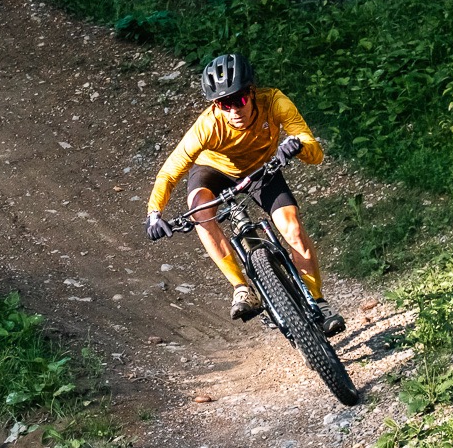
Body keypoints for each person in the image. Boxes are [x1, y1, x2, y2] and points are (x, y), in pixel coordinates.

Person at [144, 53, 345, 337]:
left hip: (261, 169)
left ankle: (317, 301)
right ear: (216, 105)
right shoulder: (208, 126)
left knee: (293, 229)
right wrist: (154, 214)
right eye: (224, 104)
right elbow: (170, 172)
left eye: (238, 99)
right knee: (200, 208)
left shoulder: (274, 102)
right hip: (214, 171)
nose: (233, 110)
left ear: (251, 93)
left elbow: (316, 153)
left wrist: (297, 146)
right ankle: (241, 288)